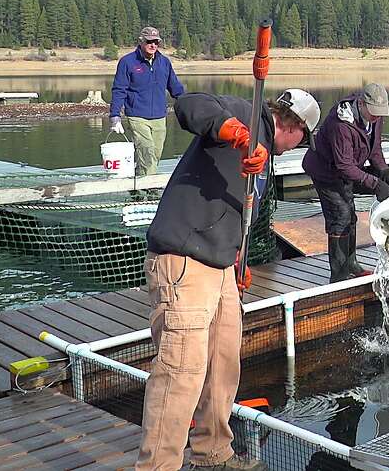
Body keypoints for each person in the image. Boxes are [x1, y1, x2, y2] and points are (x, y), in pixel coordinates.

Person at [137, 88, 322, 471]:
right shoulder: (243, 114)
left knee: (223, 365)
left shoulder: (265, 157)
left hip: (221, 267)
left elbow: (237, 211)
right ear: (296, 128)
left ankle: (212, 453)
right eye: (304, 139)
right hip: (183, 260)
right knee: (180, 372)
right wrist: (237, 134)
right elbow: (188, 105)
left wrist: (238, 256)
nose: (299, 146)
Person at [303, 83, 389, 282]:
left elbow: (375, 149)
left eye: (380, 113)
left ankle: (351, 263)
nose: (376, 117)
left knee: (350, 215)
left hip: (345, 171)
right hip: (325, 171)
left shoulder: (375, 119)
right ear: (361, 104)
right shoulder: (341, 123)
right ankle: (338, 274)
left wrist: (384, 171)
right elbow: (345, 165)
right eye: (373, 113)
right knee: (341, 216)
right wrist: (375, 184)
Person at [110, 26, 186, 177]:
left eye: (156, 42)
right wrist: (115, 116)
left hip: (159, 116)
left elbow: (175, 87)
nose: (153, 45)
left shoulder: (164, 62)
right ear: (141, 42)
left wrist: (189, 103)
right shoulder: (127, 62)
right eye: (149, 42)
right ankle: (149, 193)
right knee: (147, 152)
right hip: (137, 116)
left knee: (155, 156)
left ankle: (137, 190)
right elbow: (119, 90)